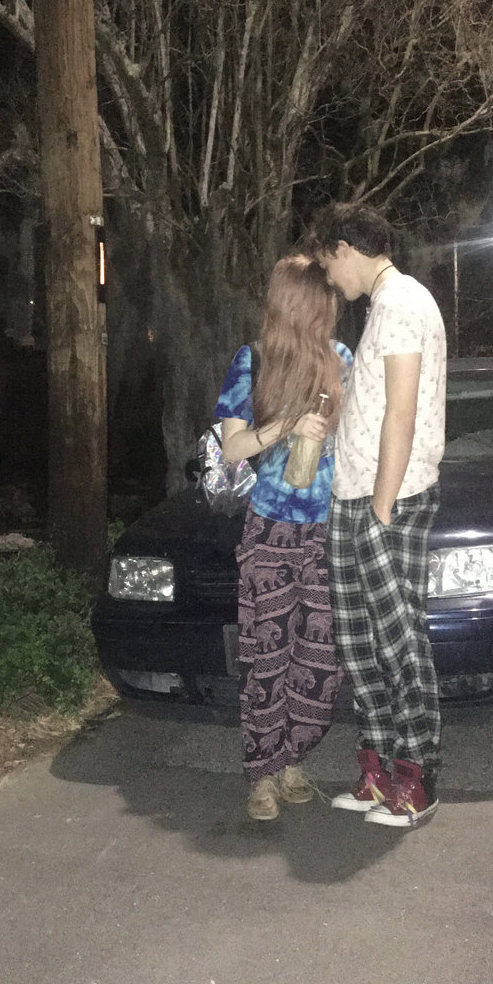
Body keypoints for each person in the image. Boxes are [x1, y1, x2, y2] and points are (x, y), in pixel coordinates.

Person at [307, 201, 447, 827]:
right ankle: (378, 773)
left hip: (387, 500)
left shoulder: (402, 304)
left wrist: (382, 509)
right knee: (361, 644)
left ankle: (417, 780)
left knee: (399, 643)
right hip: (355, 496)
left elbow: (402, 412)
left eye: (327, 264)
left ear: (344, 248)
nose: (329, 278)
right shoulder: (385, 307)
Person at [215, 255, 353, 821]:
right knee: (266, 657)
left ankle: (293, 757)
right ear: (300, 304)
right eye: (324, 300)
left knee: (321, 663)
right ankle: (263, 774)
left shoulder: (342, 360)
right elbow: (232, 447)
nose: (333, 308)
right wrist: (285, 425)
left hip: (327, 530)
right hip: (270, 528)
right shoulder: (252, 361)